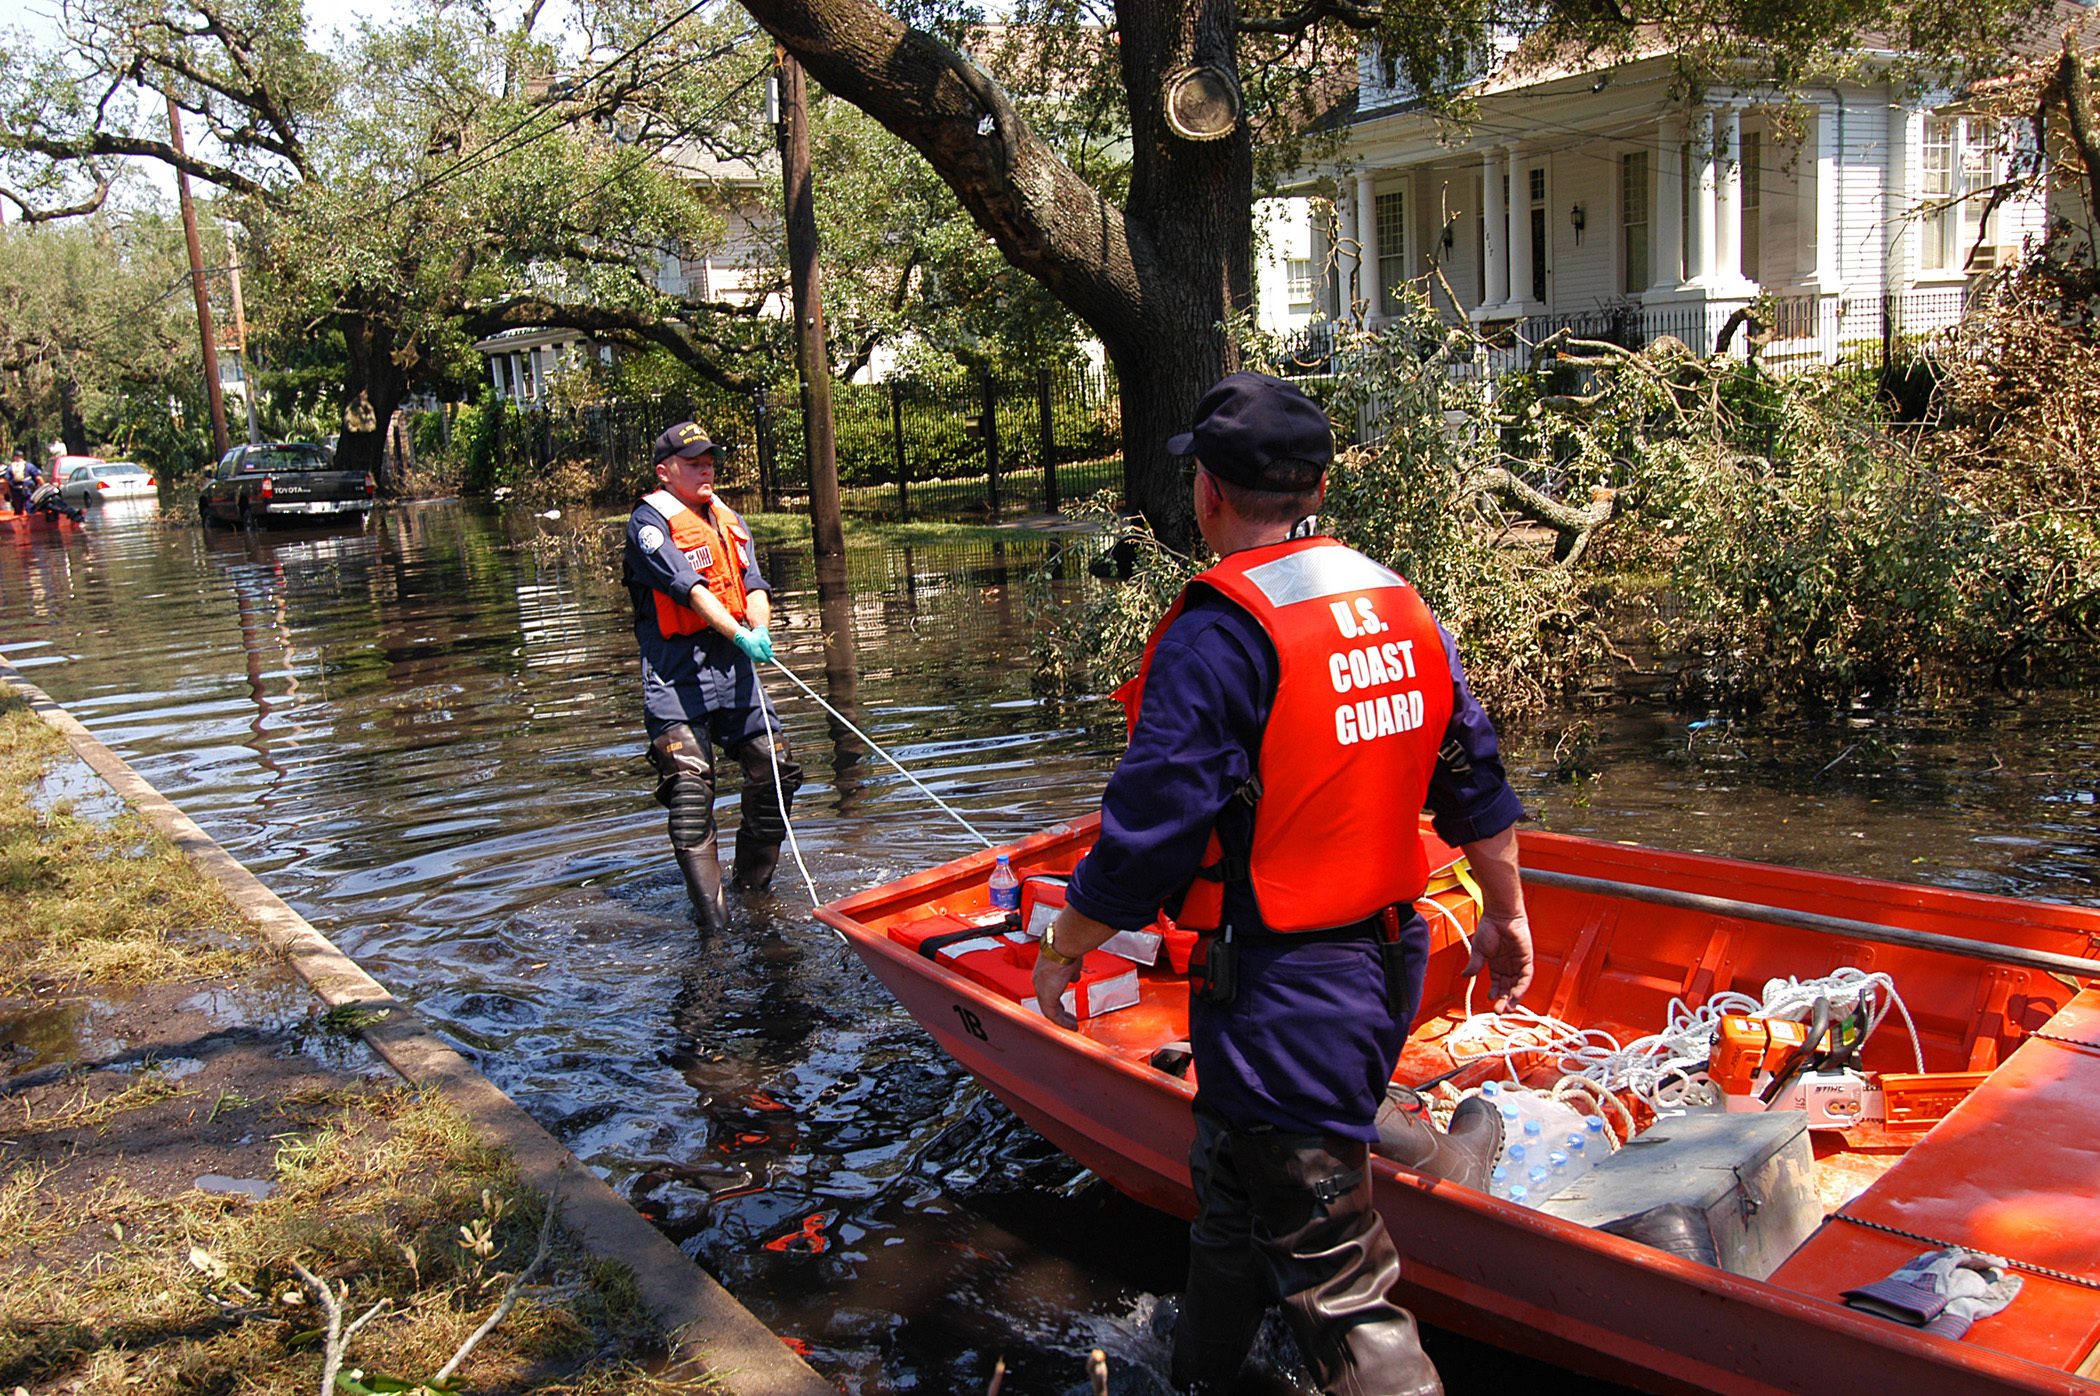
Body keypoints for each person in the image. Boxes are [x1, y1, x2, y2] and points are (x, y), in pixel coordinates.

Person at [1032, 372, 1536, 1396]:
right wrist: (1509, 915)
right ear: (1315, 484)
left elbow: (1151, 829)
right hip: (1382, 957)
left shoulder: (1222, 631)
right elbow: (1474, 774)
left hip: (1285, 986)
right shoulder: (1396, 601)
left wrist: (1065, 943)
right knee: (1231, 1196)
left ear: (1210, 494)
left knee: (1335, 1273)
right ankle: (1201, 1377)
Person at [622, 420, 802, 931]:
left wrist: (759, 629)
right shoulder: (649, 524)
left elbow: (752, 582)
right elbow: (690, 590)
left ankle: (753, 894)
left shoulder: (727, 517)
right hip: (676, 672)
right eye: (694, 462)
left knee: (778, 767)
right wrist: (737, 632)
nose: (707, 469)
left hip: (733, 667)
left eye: (710, 461)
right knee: (689, 785)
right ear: (665, 472)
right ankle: (714, 923)